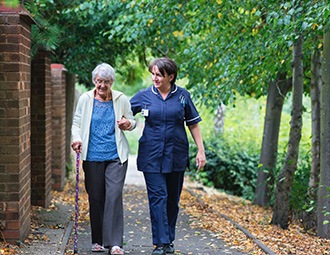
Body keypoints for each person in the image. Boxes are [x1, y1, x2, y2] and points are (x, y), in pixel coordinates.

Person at [130, 57, 206, 255]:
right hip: (151, 156)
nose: (154, 78)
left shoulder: (183, 96)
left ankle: (169, 239)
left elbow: (193, 124)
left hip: (176, 154)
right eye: (153, 74)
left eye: (159, 75)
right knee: (158, 197)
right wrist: (125, 123)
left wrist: (201, 150)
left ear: (170, 77)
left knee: (172, 200)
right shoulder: (144, 95)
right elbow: (124, 112)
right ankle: (161, 243)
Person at [71, 63, 135, 255]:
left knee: (114, 195)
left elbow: (132, 120)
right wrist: (77, 139)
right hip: (92, 156)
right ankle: (98, 240)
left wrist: (127, 124)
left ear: (112, 82)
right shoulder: (85, 99)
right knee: (96, 197)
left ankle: (115, 243)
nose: (102, 86)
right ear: (94, 81)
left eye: (106, 82)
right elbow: (76, 123)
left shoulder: (121, 99)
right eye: (99, 81)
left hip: (116, 156)